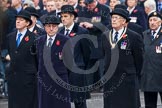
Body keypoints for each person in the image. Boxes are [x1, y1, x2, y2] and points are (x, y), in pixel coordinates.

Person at [102, 8, 143, 108]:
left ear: (124, 21)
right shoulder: (105, 35)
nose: (113, 20)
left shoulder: (134, 36)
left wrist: (132, 73)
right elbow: (104, 55)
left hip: (127, 79)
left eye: (116, 18)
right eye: (112, 17)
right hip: (110, 79)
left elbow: (139, 59)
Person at [59, 5, 92, 108]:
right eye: (62, 16)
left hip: (77, 69)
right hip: (63, 70)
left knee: (79, 100)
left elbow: (87, 53)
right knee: (63, 98)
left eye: (66, 16)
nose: (63, 19)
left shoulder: (82, 31)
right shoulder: (59, 32)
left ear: (72, 17)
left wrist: (81, 65)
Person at [4, 10, 38, 108]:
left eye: (21, 20)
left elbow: (37, 59)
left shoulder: (34, 38)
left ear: (27, 23)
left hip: (28, 78)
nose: (17, 21)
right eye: (17, 19)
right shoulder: (10, 37)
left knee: (27, 104)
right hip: (13, 77)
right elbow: (9, 51)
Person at [37, 15, 71, 108]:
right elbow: (37, 60)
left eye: (54, 26)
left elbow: (69, 63)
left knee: (60, 104)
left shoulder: (65, 40)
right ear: (44, 27)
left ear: (58, 26)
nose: (51, 29)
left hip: (59, 79)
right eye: (48, 26)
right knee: (45, 104)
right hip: (44, 79)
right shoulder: (39, 41)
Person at [141, 11, 162, 108]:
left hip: (160, 74)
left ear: (160, 22)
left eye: (155, 20)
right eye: (150, 20)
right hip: (148, 75)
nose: (152, 22)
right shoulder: (144, 35)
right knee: (149, 105)